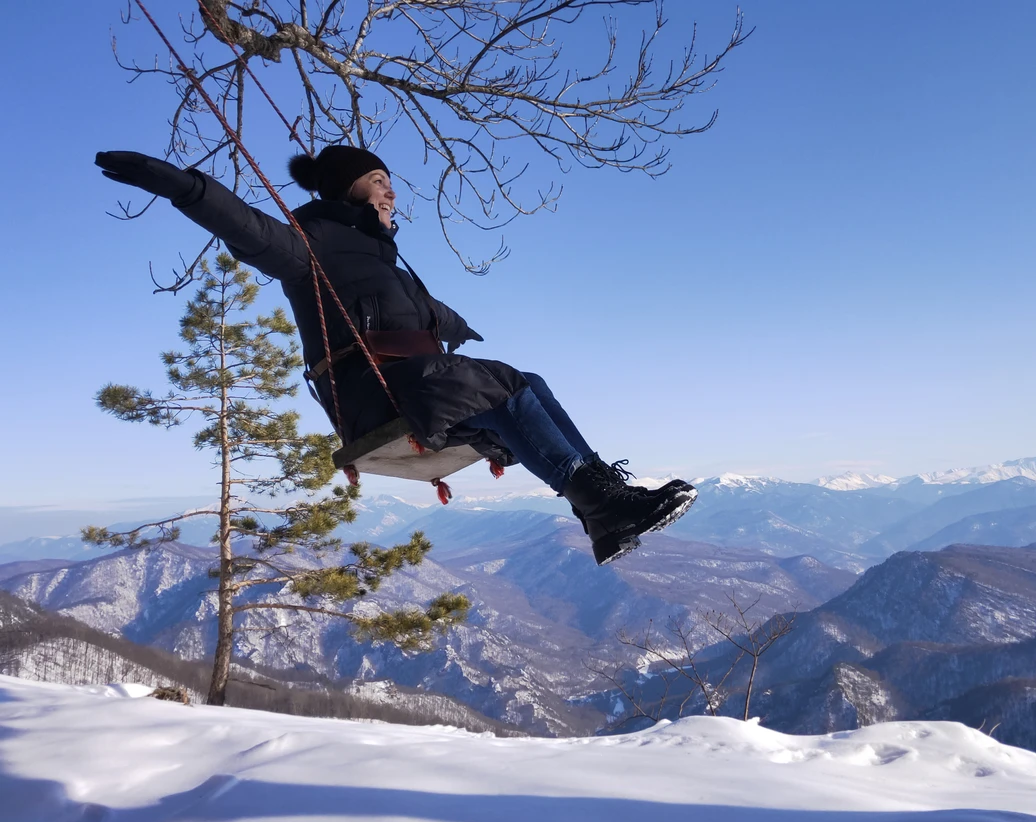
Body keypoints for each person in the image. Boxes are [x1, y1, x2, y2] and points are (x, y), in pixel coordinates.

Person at [94, 146, 696, 565]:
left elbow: (418, 311)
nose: (389, 187)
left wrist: (457, 326)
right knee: (507, 383)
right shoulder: (311, 241)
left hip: (413, 379)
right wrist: (181, 185)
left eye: (389, 180)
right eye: (377, 178)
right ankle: (599, 501)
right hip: (372, 387)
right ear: (345, 188)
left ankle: (600, 511)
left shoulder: (379, 254)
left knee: (523, 381)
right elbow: (248, 229)